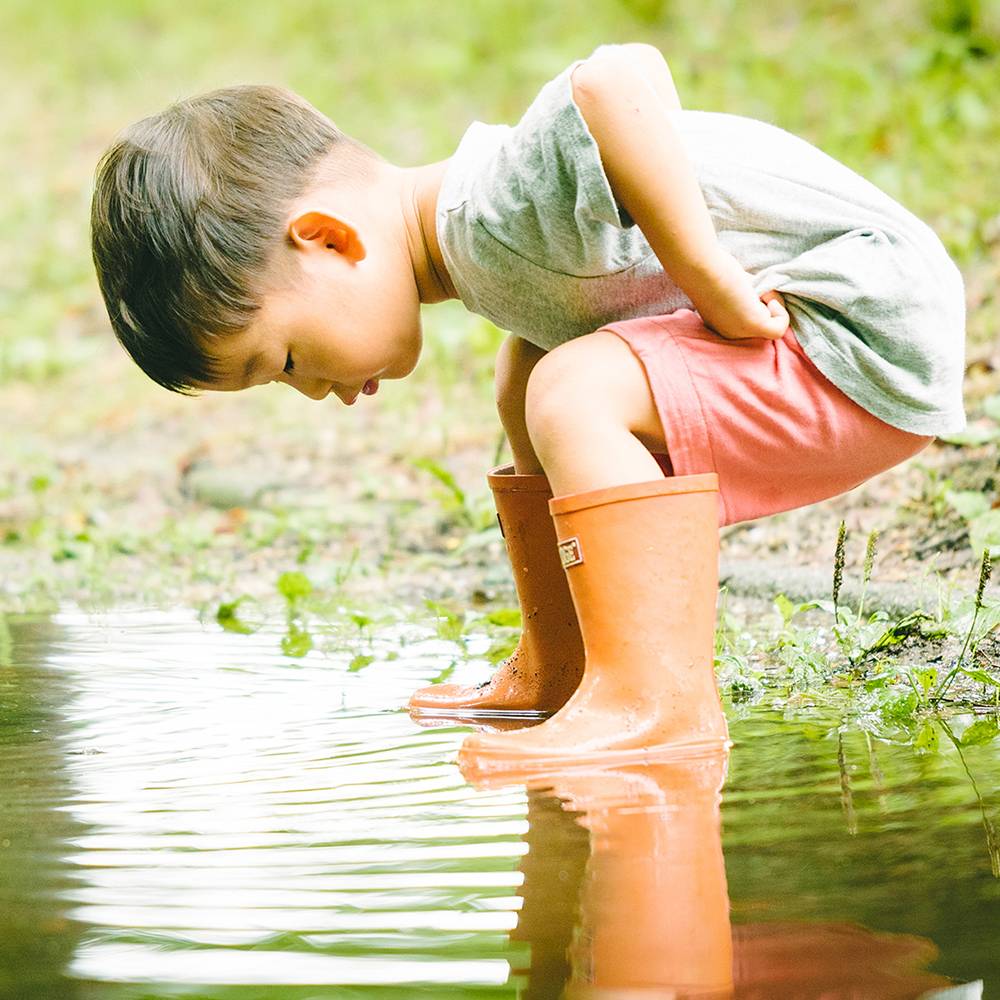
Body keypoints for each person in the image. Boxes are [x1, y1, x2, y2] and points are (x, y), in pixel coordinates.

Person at [90, 42, 966, 765]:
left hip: (858, 329)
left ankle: (650, 702)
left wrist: (710, 275)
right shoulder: (492, 253)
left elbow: (617, 80)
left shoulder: (497, 204)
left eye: (283, 359)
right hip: (848, 341)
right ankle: (568, 667)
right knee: (527, 374)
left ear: (327, 239)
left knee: (567, 386)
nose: (312, 391)